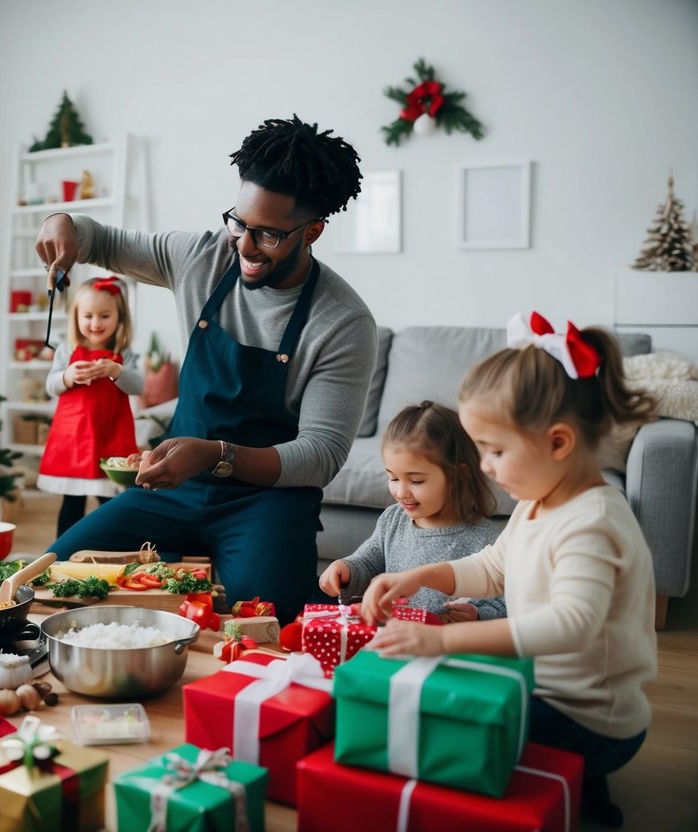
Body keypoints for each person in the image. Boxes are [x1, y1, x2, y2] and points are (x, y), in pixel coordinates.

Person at [35, 115, 376, 623]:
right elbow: (98, 239)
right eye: (238, 222)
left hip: (267, 501)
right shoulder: (203, 257)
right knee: (51, 577)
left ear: (313, 231)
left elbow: (320, 455)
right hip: (174, 488)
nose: (242, 245)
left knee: (271, 620)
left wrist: (217, 455)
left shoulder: (342, 321)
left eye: (267, 234)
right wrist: (61, 222)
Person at [360, 311, 658, 828]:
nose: (487, 467)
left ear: (558, 443)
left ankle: (578, 794)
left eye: (496, 451)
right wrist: (420, 576)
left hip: (587, 716)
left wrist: (442, 642)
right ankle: (579, 794)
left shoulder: (592, 521)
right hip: (546, 687)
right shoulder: (538, 502)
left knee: (448, 733)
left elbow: (572, 623)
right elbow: (493, 567)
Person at [319, 401, 506, 622]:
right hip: (392, 637)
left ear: (458, 475)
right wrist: (346, 569)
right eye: (393, 477)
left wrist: (478, 615)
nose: (400, 492)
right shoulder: (393, 519)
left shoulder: (485, 538)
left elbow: (504, 602)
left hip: (445, 645)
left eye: (416, 480)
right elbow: (368, 561)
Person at [36, 276, 143, 536]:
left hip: (110, 435)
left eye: (104, 316)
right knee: (72, 501)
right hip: (74, 437)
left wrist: (117, 371)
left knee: (111, 499)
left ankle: (118, 544)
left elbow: (138, 386)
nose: (96, 323)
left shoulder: (124, 353)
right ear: (77, 317)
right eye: (88, 316)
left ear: (119, 317)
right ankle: (61, 552)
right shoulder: (66, 350)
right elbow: (51, 386)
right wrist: (67, 376)